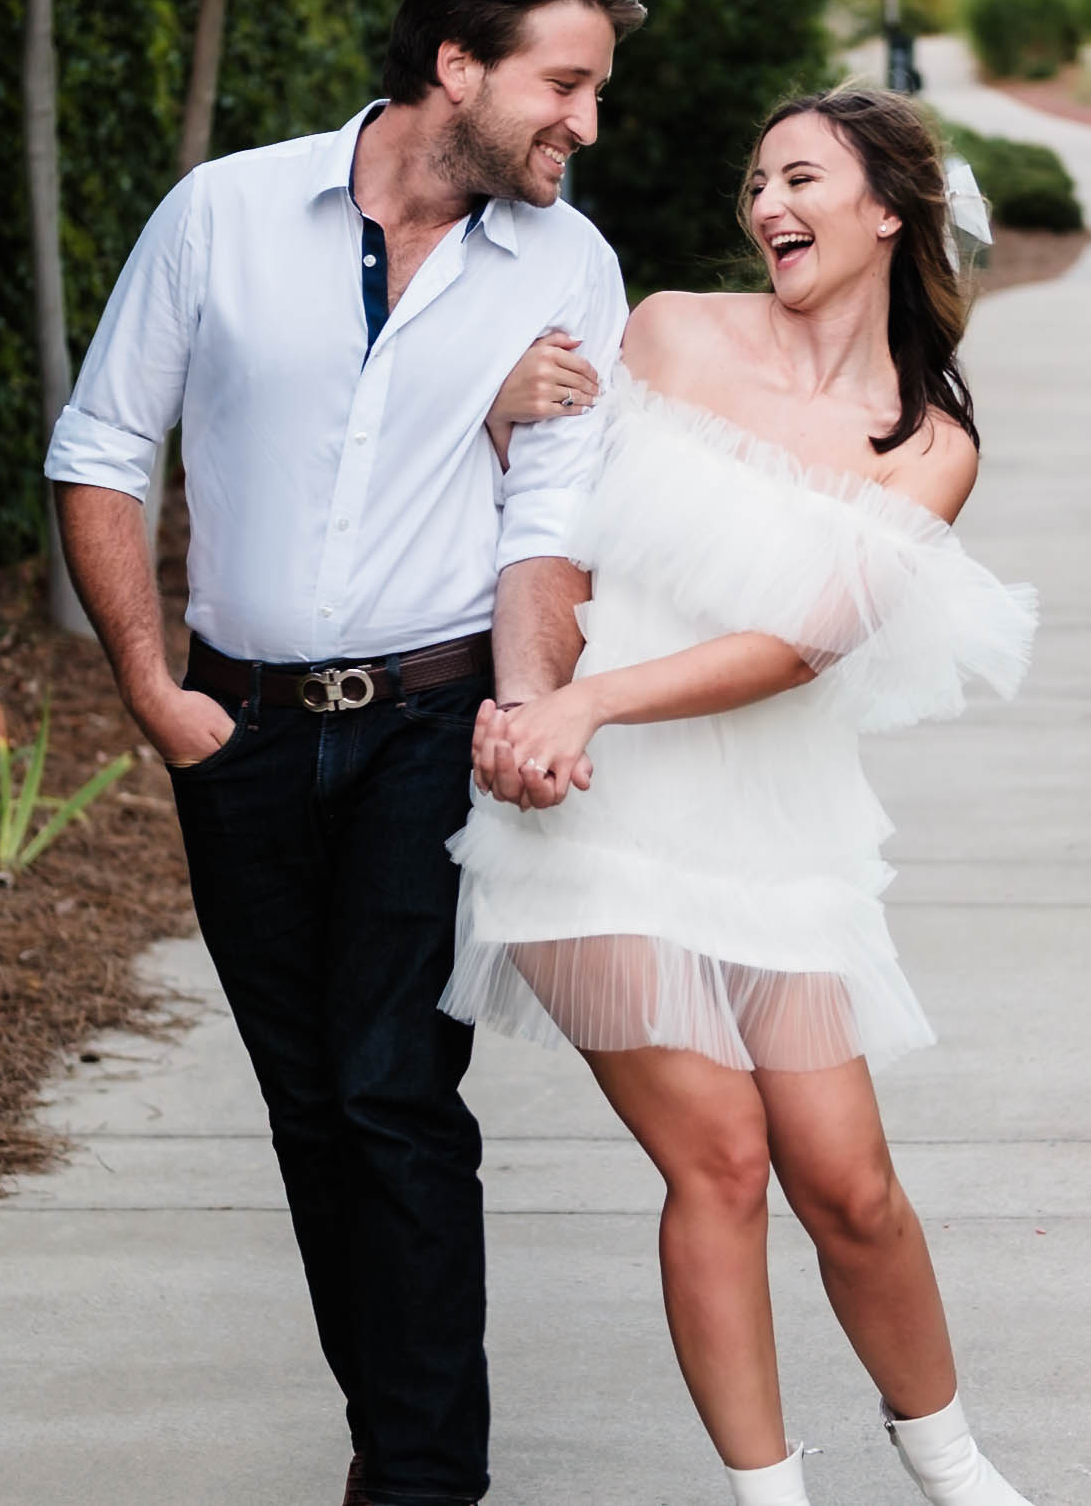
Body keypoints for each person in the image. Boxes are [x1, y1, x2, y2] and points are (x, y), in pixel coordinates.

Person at [43, 0, 642, 1506]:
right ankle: (397, 1432)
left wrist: (527, 710)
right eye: (563, 86)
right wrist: (151, 688)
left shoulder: (567, 262)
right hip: (235, 732)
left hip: (431, 725)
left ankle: (423, 1479)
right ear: (458, 66)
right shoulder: (225, 213)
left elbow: (549, 520)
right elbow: (105, 444)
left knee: (391, 1090)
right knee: (312, 1107)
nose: (585, 124)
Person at [441, 88, 1040, 1506]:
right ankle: (771, 1498)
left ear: (887, 210)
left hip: (778, 826)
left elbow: (800, 645)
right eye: (758, 180)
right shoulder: (664, 332)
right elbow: (545, 522)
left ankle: (954, 1470)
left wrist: (591, 699)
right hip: (589, 813)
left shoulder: (930, 445)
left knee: (850, 1183)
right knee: (719, 1159)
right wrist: (498, 427)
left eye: (802, 178)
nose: (768, 204)